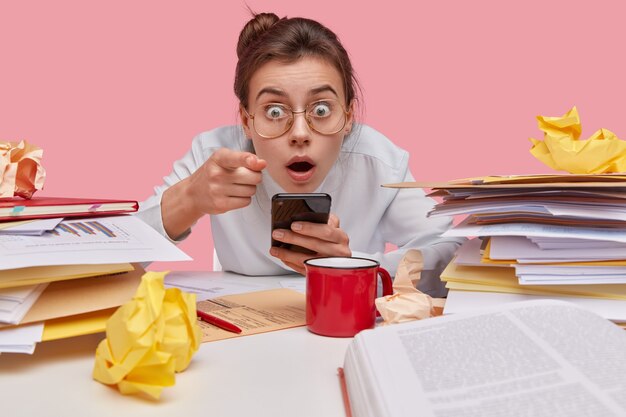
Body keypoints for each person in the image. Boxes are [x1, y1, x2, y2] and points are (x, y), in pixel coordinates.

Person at [136, 12, 464, 297]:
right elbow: (111, 262)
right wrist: (187, 200)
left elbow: (452, 253)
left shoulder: (378, 161)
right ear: (246, 121)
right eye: (274, 111)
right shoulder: (216, 158)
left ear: (349, 116)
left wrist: (353, 267)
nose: (299, 134)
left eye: (321, 109)